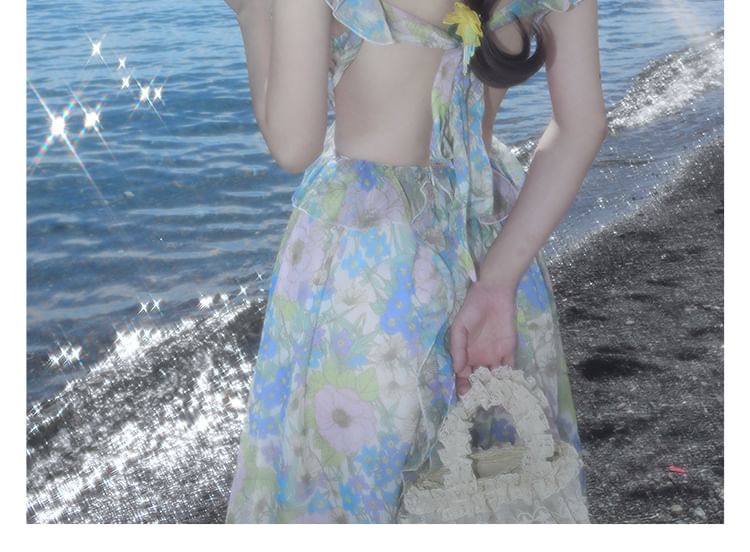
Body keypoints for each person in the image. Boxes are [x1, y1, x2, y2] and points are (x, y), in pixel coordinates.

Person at [223, 0, 606, 523]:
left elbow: (292, 145)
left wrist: (250, 13)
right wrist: (498, 282)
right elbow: (582, 126)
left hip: (368, 269)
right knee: (494, 477)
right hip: (489, 245)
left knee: (354, 486)